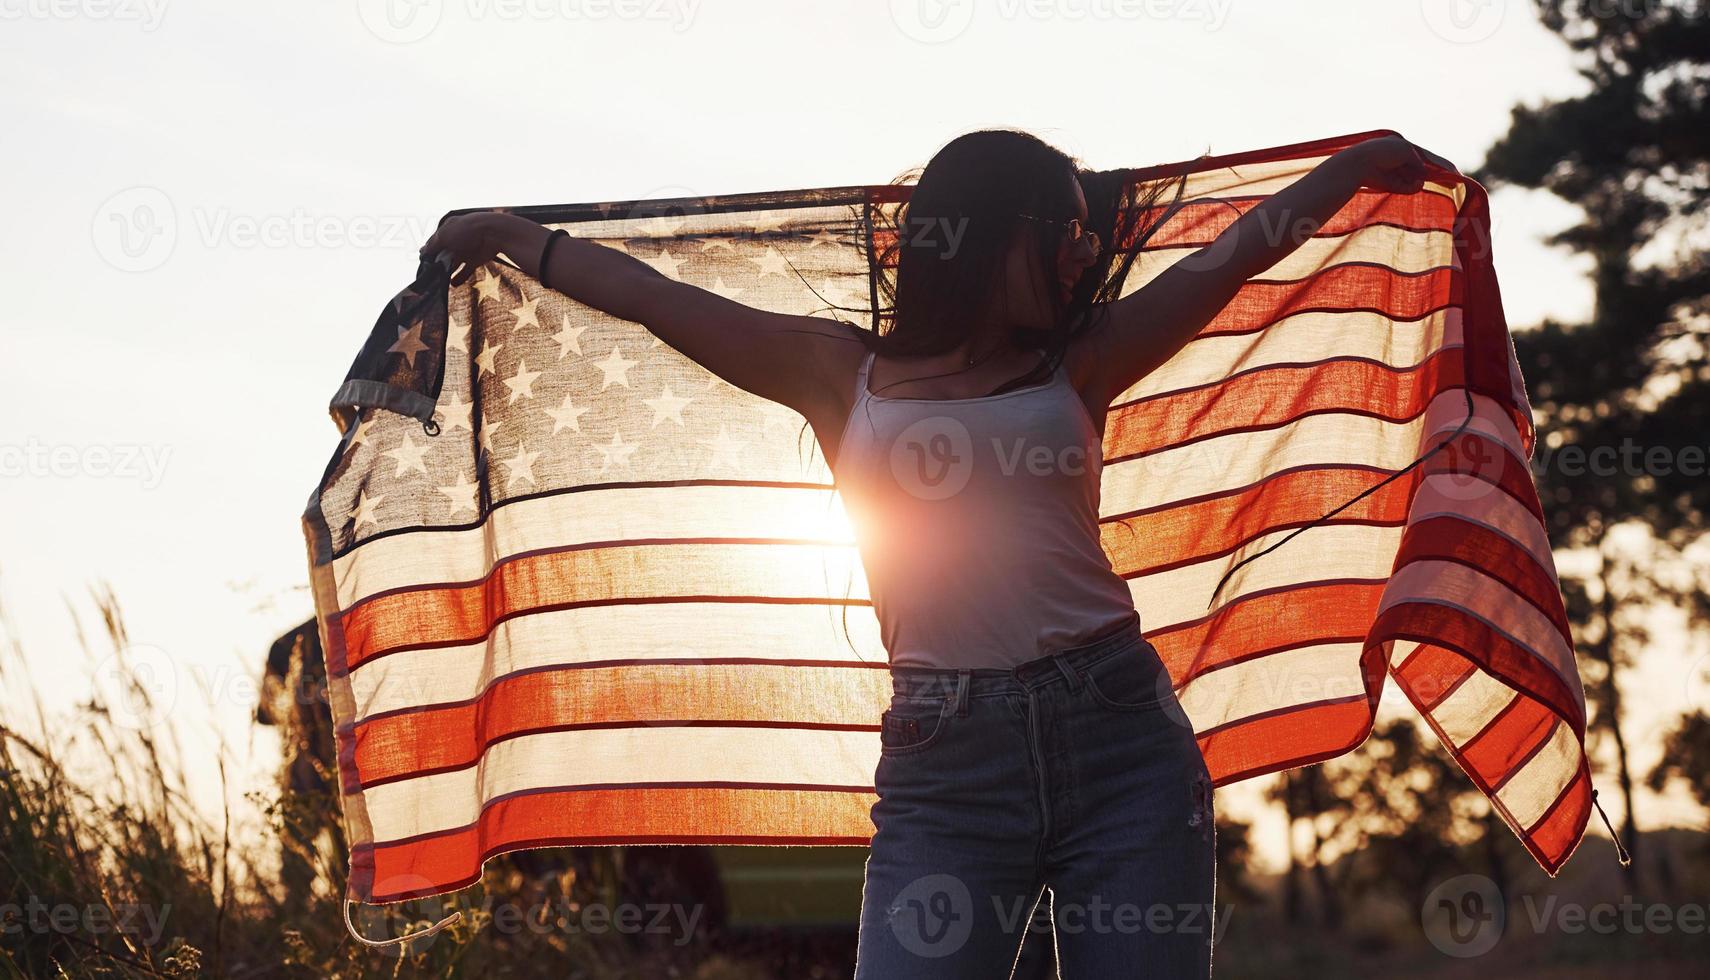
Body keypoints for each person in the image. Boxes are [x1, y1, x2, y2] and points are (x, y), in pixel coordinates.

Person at [421, 129, 1456, 978]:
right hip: (947, 773)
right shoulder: (839, 374)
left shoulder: (1082, 362)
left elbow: (1236, 254)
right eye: (1064, 235)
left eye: (1089, 240)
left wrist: (1358, 165)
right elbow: (655, 299)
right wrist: (514, 235)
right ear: (993, 234)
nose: (1080, 258)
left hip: (1124, 748)